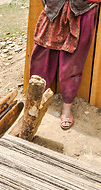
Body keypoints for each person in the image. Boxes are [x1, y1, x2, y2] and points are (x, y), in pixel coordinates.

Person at [29, 0, 100, 130]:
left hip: (83, 6)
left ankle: (67, 107)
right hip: (55, 5)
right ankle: (35, 100)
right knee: (42, 54)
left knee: (73, 62)